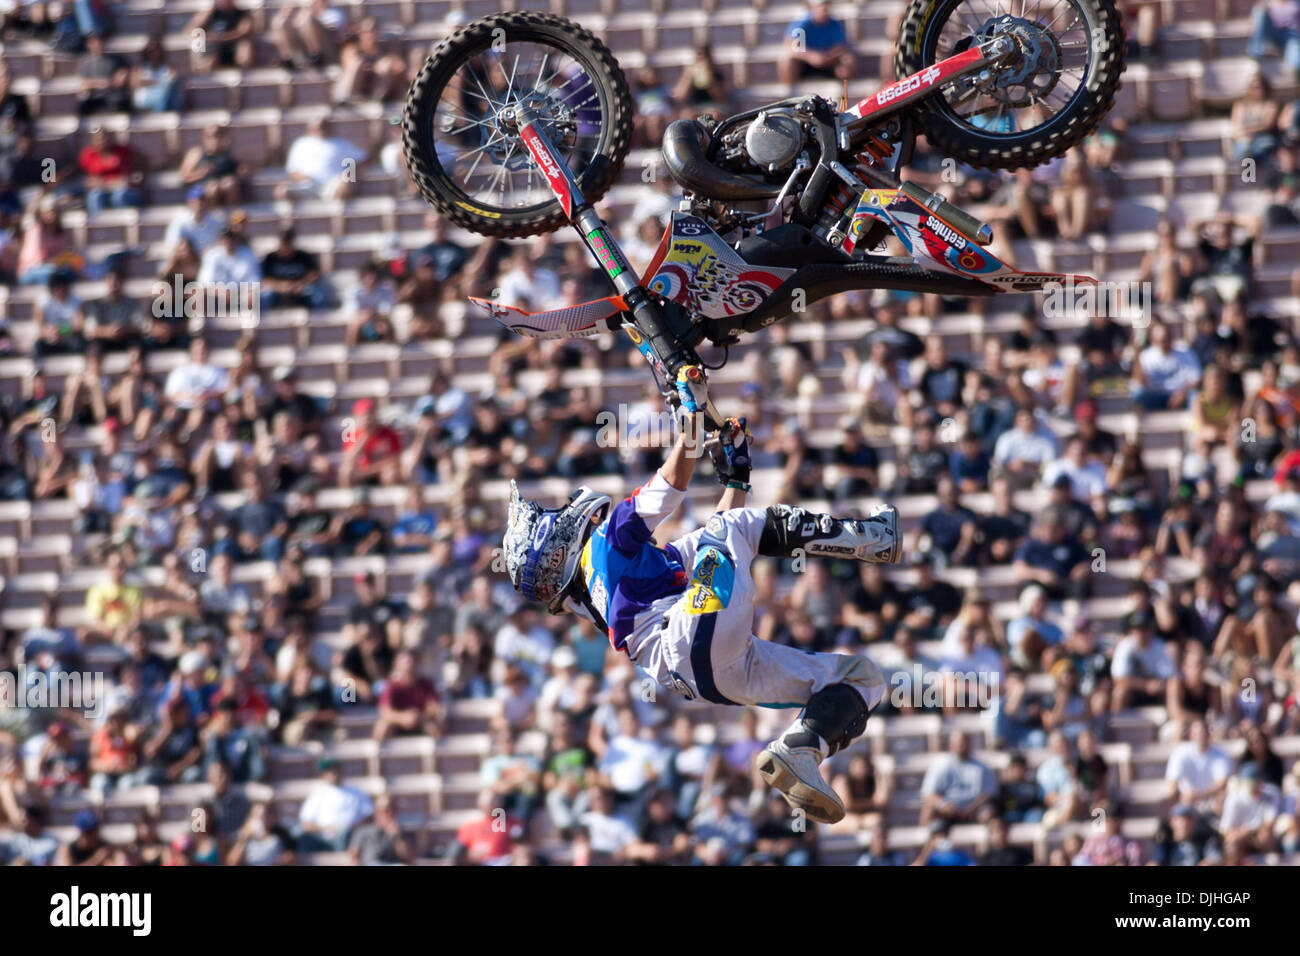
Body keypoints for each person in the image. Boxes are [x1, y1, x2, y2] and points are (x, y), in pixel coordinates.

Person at [503, 366, 899, 824]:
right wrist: (690, 409)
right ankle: (871, 537)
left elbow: (711, 543)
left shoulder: (607, 586)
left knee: (862, 677)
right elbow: (672, 483)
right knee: (732, 529)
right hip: (690, 641)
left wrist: (736, 478)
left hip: (706, 671)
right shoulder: (606, 543)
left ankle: (802, 750)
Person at [781, 0, 854, 86]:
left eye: (827, 4)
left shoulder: (834, 24)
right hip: (805, 64)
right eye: (821, 5)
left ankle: (845, 89)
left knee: (848, 60)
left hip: (829, 62)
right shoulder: (802, 23)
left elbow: (841, 47)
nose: (824, 8)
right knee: (787, 61)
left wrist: (827, 57)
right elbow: (791, 46)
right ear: (813, 7)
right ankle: (789, 90)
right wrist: (811, 57)